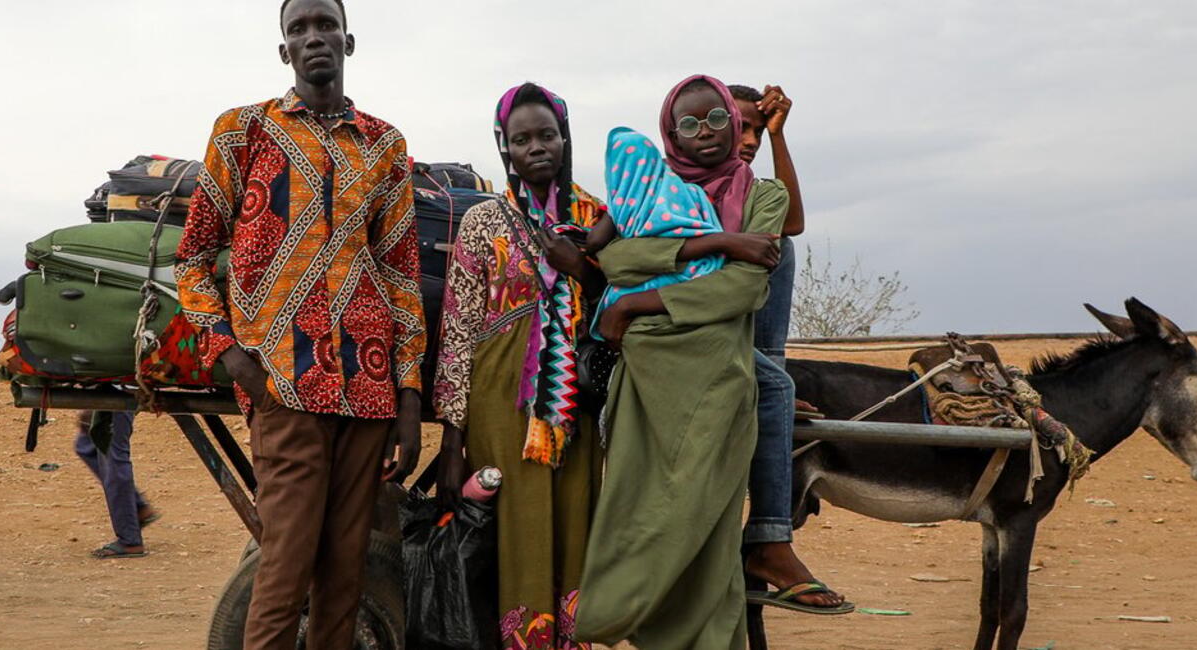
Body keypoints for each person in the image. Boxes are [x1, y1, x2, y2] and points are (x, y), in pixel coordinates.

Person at [174, 0, 426, 647]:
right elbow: (193, 256)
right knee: (284, 575)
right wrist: (229, 353)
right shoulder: (242, 132)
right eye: (299, 29)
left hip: (367, 392)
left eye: (325, 25)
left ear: (348, 41)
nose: (314, 37)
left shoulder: (386, 145)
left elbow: (400, 274)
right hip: (282, 385)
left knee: (345, 580)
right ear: (284, 50)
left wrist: (407, 395)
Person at [575, 74, 789, 649]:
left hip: (717, 378)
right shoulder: (651, 187)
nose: (706, 133)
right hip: (645, 378)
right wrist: (722, 243)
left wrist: (637, 303)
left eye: (716, 119)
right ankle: (623, 619)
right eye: (688, 124)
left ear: (733, 121)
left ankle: (635, 621)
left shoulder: (765, 196)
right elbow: (618, 259)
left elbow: (744, 288)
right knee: (638, 508)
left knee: (703, 526)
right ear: (670, 133)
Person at [433, 82, 609, 649]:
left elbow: (621, 304)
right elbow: (458, 330)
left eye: (547, 135)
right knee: (514, 533)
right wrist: (452, 441)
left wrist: (580, 268)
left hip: (577, 406)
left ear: (565, 138)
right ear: (504, 147)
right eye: (522, 138)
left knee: (574, 526)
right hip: (499, 409)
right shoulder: (484, 222)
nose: (536, 147)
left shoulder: (597, 218)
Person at [721, 83, 849, 613]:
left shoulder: (749, 191)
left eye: (757, 130)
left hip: (733, 343)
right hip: (684, 331)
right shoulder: (678, 188)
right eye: (742, 128)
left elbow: (791, 222)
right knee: (775, 387)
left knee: (783, 246)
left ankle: (766, 384)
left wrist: (779, 136)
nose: (750, 140)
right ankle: (770, 540)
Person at [74, 411, 160, 559]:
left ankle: (130, 541)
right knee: (86, 444)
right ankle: (137, 509)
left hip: (120, 399)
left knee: (113, 458)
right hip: (111, 398)